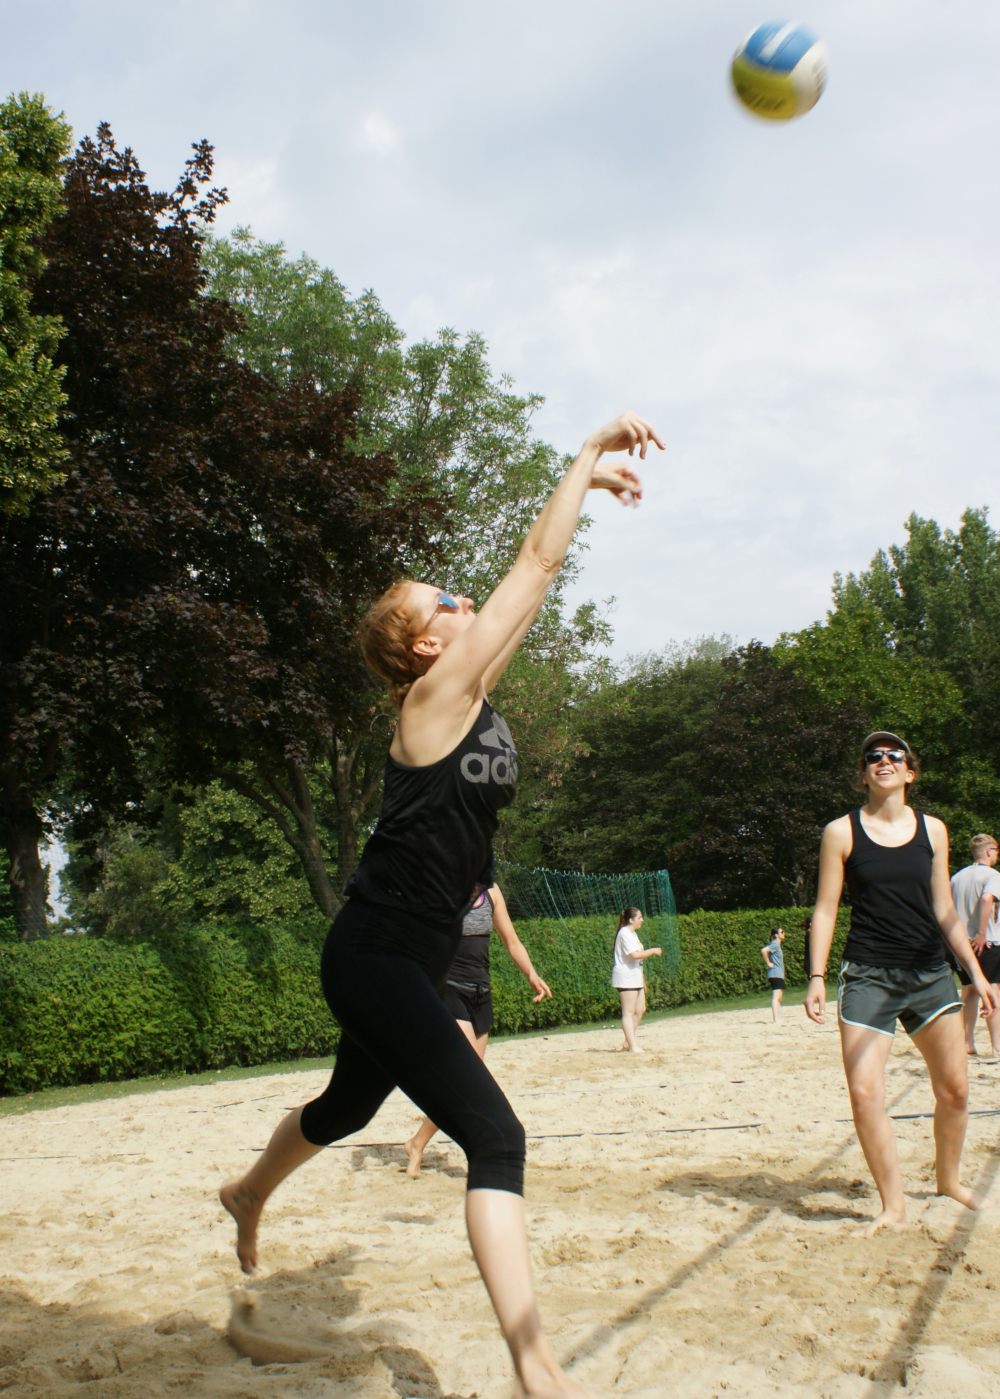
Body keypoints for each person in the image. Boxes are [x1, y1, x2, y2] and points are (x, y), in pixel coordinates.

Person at [220, 409, 662, 1399]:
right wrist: (582, 459)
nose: (467, 601)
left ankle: (247, 1192)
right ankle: (536, 1367)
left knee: (347, 1105)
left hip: (410, 954)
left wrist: (583, 492)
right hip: (375, 951)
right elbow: (534, 567)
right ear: (425, 645)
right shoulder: (431, 701)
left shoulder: (467, 693)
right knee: (496, 1136)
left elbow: (531, 590)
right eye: (448, 601)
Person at [804, 730, 999, 1237]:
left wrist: (976, 974)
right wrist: (816, 975)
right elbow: (825, 909)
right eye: (873, 756)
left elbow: (945, 910)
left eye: (894, 755)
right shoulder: (840, 832)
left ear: (909, 772)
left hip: (929, 973)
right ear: (864, 772)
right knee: (865, 1092)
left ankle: (948, 1181)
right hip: (868, 974)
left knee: (955, 1091)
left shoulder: (933, 830)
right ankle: (892, 1206)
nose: (884, 760)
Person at [405, 881, 552, 1177]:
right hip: (449, 989)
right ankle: (479, 1148)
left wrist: (531, 973)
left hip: (480, 992)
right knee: (467, 1075)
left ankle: (417, 1142)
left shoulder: (491, 891)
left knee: (467, 1082)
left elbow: (512, 941)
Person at [951, 833, 1000, 1058]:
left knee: (969, 990)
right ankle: (997, 1047)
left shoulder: (957, 877)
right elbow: (987, 899)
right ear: (989, 851)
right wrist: (981, 933)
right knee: (993, 991)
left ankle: (967, 1043)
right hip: (986, 941)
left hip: (961, 943)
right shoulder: (992, 875)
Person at [611, 907, 662, 1053]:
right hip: (626, 977)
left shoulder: (632, 934)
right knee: (628, 1012)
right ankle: (632, 1046)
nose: (642, 920)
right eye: (639, 917)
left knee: (640, 1009)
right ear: (631, 920)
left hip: (635, 977)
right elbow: (635, 955)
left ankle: (628, 1042)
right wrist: (653, 951)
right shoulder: (624, 933)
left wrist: (642, 980)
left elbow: (638, 960)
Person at [761, 926, 785, 1024]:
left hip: (778, 974)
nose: (783, 933)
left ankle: (779, 1018)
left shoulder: (777, 945)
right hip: (775, 973)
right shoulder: (775, 944)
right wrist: (768, 963)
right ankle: (776, 1019)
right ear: (776, 935)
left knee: (779, 997)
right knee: (776, 997)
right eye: (781, 932)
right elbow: (764, 950)